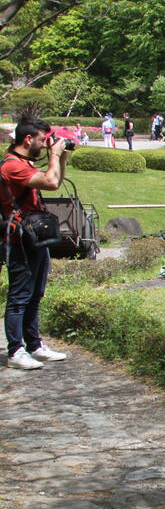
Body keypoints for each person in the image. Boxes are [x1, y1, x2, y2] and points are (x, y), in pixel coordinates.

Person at [2, 117, 72, 370]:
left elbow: (55, 182)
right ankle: (15, 351)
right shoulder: (12, 166)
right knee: (20, 296)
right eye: (42, 140)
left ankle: (34, 345)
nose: (45, 145)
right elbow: (51, 182)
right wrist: (54, 154)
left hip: (35, 237)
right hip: (20, 239)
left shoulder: (25, 163)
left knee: (35, 294)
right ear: (28, 139)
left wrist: (61, 158)